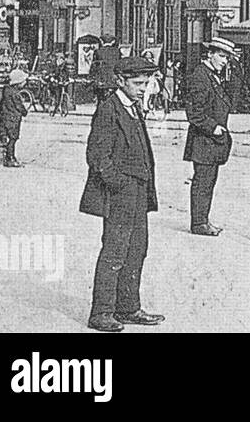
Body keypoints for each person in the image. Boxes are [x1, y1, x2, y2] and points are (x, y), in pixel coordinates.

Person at [79, 55, 165, 332]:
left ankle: (128, 307)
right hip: (120, 193)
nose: (143, 88)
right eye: (138, 83)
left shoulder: (133, 107)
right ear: (120, 81)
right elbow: (97, 155)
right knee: (115, 251)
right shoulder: (109, 109)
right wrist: (118, 183)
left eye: (146, 83)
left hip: (138, 191)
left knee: (137, 249)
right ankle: (102, 312)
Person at [183, 37, 238, 236]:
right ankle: (199, 223)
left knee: (207, 183)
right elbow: (194, 113)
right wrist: (213, 128)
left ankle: (203, 220)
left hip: (210, 142)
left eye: (227, 58)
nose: (224, 61)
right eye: (222, 56)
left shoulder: (211, 75)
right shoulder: (200, 76)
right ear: (210, 54)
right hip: (204, 140)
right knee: (203, 184)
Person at [0, 68, 29, 167]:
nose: (24, 83)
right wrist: (24, 112)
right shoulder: (15, 93)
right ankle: (10, 158)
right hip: (13, 119)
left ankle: (10, 157)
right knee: (13, 138)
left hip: (7, 116)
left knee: (10, 138)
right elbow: (19, 105)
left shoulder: (7, 90)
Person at [90, 35, 121, 103]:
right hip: (113, 78)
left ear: (102, 41)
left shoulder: (98, 51)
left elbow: (94, 66)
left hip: (102, 78)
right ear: (113, 42)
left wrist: (91, 76)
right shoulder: (117, 51)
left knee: (101, 97)